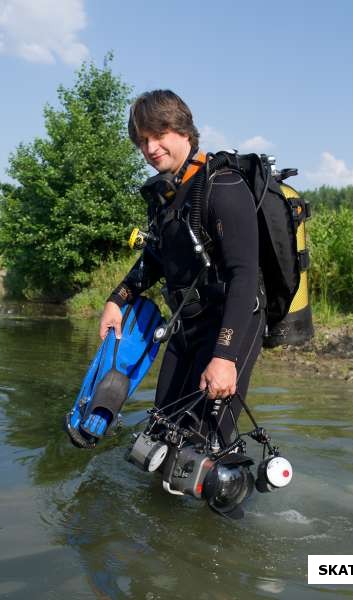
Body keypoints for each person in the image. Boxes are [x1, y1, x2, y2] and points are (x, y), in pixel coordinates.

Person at [99, 90, 264, 445]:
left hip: (229, 324)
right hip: (185, 326)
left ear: (184, 131)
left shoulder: (223, 185)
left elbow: (245, 274)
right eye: (142, 140)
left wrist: (224, 357)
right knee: (158, 437)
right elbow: (156, 258)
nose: (150, 147)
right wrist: (118, 299)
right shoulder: (166, 196)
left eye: (159, 135)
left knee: (201, 453)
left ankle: (234, 499)